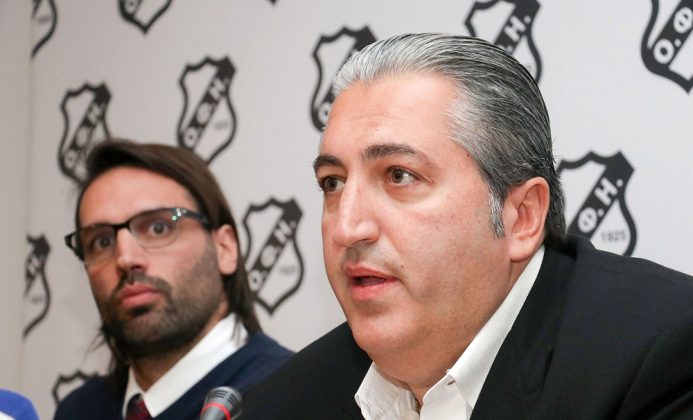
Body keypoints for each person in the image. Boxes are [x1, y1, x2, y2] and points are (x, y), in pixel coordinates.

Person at [242, 33, 693, 419]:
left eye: (399, 175)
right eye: (333, 183)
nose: (347, 227)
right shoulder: (285, 402)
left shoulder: (661, 355)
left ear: (521, 217)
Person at [54, 140, 292, 419]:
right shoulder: (78, 411)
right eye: (102, 241)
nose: (125, 257)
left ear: (224, 249)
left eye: (158, 227)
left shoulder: (294, 396)